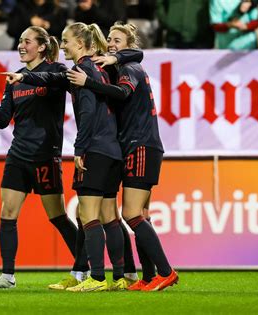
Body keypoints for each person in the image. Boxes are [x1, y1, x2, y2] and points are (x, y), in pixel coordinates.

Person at [3, 22, 143, 292]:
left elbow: (88, 113)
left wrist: (80, 148)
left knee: (87, 214)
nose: (62, 45)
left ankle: (97, 278)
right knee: (109, 217)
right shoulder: (99, 68)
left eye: (66, 41)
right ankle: (124, 275)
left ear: (80, 43)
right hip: (112, 149)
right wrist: (23, 78)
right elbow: (52, 78)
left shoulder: (84, 70)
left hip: (96, 149)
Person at [66, 22, 179, 291]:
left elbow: (124, 91)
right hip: (136, 146)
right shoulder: (122, 65)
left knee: (130, 213)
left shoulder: (130, 68)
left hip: (140, 145)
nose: (112, 43)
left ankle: (165, 271)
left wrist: (88, 82)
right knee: (140, 214)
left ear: (128, 44)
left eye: (118, 39)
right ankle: (150, 277)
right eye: (109, 38)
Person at [0, 26, 86, 289]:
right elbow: (4, 121)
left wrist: (23, 79)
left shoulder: (58, 71)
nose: (21, 46)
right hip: (18, 155)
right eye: (20, 41)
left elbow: (53, 80)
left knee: (57, 216)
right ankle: (7, 276)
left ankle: (83, 269)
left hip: (45, 155)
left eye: (27, 41)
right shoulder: (15, 79)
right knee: (7, 213)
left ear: (42, 46)